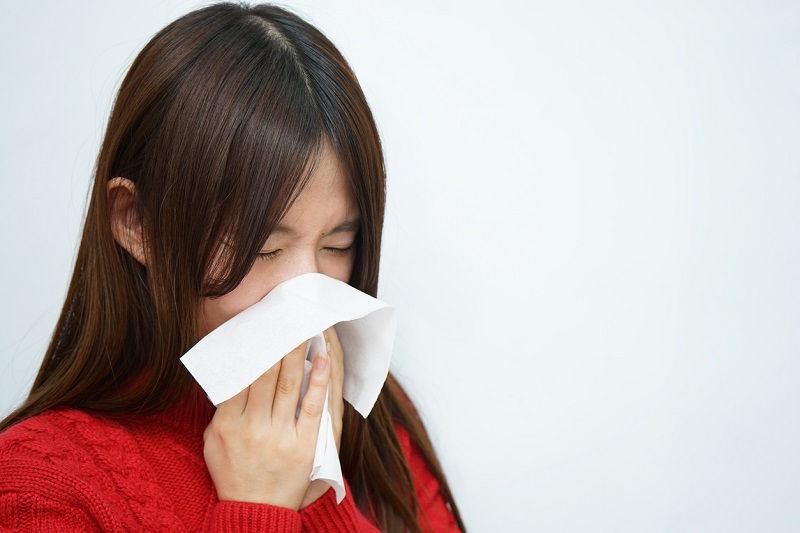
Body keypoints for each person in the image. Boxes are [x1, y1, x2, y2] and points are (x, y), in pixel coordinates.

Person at [0, 3, 465, 532]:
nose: (305, 291)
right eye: (262, 249)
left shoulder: (377, 425)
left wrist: (317, 494)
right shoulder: (39, 485)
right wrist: (260, 510)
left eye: (338, 244)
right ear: (136, 223)